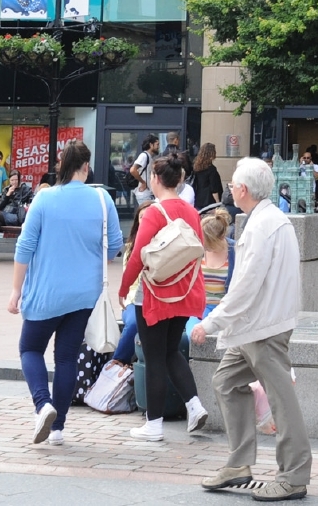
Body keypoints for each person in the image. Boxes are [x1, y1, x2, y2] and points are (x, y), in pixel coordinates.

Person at [192, 158, 311, 502]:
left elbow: (246, 285)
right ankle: (240, 465)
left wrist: (212, 321)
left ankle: (293, 476)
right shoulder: (269, 220)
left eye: (231, 185)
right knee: (226, 381)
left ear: (242, 190)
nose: (229, 188)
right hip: (258, 325)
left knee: (281, 399)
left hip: (262, 327)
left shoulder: (262, 225)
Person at [10, 141, 122, 447]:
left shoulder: (44, 199)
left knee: (30, 349)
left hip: (46, 292)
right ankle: (58, 428)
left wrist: (15, 291)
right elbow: (113, 246)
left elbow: (24, 247)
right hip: (85, 295)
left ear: (62, 165)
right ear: (85, 167)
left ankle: (42, 404)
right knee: (67, 358)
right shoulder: (102, 200)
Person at [120, 155, 207, 442]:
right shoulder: (191, 211)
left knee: (154, 356)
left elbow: (137, 256)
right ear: (179, 179)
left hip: (156, 294)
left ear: (156, 179)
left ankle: (154, 424)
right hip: (185, 291)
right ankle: (194, 406)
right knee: (171, 351)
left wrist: (124, 288)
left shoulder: (155, 213)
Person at [128, 136, 158, 210]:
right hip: (144, 193)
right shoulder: (144, 156)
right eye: (157, 144)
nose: (158, 147)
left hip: (147, 193)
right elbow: (132, 170)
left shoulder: (148, 156)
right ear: (151, 145)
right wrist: (143, 182)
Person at [193, 144, 225, 208]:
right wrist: (218, 202)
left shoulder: (196, 167)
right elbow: (214, 189)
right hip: (209, 201)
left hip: (198, 199)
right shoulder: (211, 169)